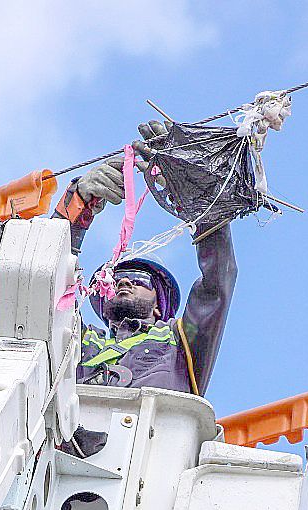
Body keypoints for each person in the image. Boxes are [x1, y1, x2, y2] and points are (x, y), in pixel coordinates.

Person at [51, 94, 288, 396]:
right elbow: (39, 285)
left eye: (138, 279)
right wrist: (77, 205)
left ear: (160, 302)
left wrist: (198, 196)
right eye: (114, 280)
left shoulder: (179, 341)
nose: (123, 281)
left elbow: (217, 283)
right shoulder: (76, 339)